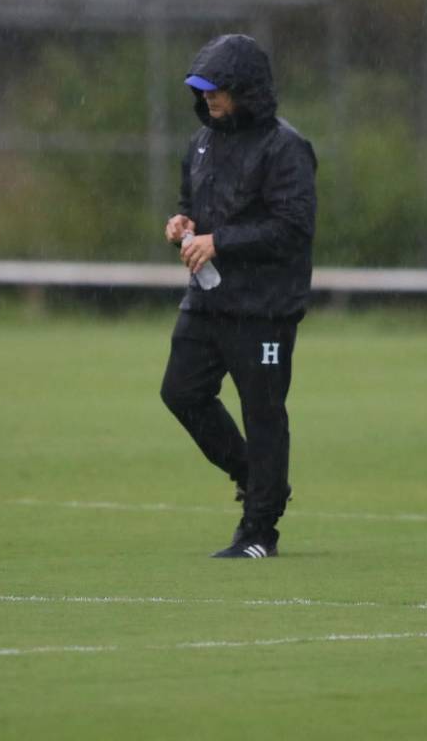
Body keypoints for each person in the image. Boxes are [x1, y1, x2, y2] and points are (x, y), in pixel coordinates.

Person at [159, 34, 318, 559]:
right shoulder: (200, 143)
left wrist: (219, 241)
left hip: (264, 307)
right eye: (201, 88)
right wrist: (184, 225)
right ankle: (256, 476)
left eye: (217, 88)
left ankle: (259, 532)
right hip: (208, 299)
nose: (207, 97)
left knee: (263, 412)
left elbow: (292, 228)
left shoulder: (286, 148)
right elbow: (194, 205)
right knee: (181, 393)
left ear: (246, 90)